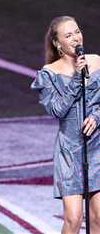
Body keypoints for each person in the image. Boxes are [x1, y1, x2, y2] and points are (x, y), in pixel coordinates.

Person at [31, 16, 100, 234]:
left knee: (98, 216)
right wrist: (75, 79)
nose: (76, 37)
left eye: (77, 32)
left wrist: (97, 116)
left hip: (98, 147)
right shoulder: (48, 74)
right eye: (68, 35)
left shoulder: (96, 61)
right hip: (70, 151)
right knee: (73, 218)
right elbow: (56, 110)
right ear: (58, 43)